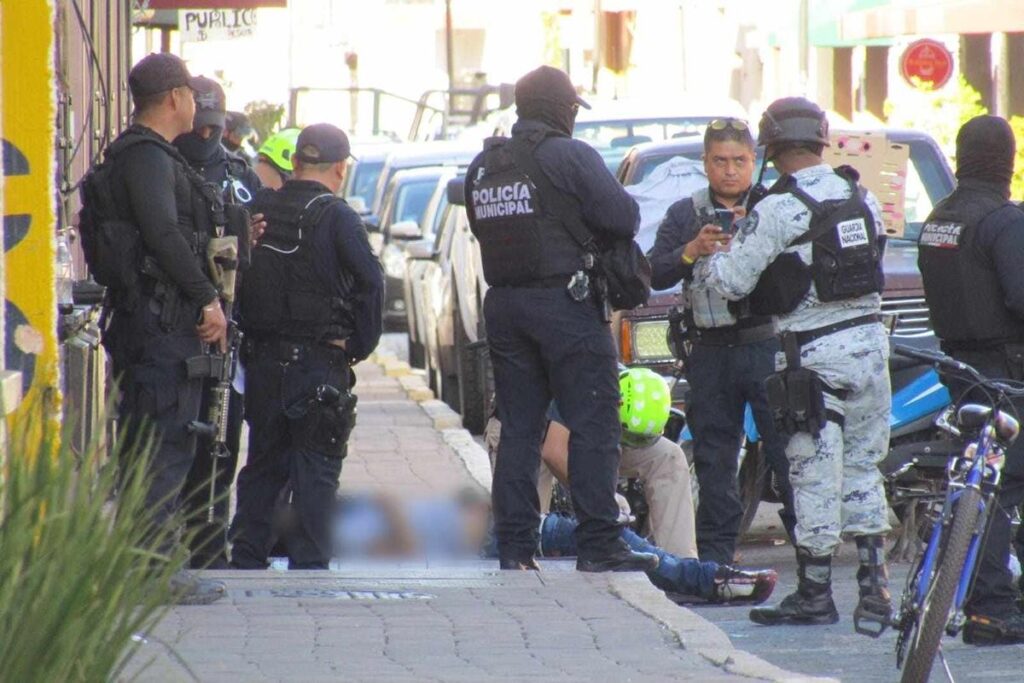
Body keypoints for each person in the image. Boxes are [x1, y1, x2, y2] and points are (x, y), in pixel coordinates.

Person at [690, 97, 892, 629]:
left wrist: (713, 255)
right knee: (864, 468)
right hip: (871, 349)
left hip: (813, 356)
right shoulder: (859, 194)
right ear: (821, 140)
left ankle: (816, 594)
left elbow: (731, 282)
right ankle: (875, 588)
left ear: (772, 148)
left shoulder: (779, 207)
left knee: (812, 473)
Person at [465, 65, 655, 573]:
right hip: (565, 306)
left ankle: (515, 548)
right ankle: (599, 544)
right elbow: (624, 218)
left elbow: (480, 229)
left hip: (504, 307)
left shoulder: (484, 167)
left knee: (520, 430)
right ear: (562, 109)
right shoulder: (570, 155)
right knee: (594, 423)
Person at [89, 53, 228, 604]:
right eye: (191, 94)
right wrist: (207, 298)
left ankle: (149, 565)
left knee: (157, 441)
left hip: (148, 322)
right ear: (174, 97)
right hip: (159, 325)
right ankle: (151, 574)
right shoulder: (146, 157)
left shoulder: (145, 155)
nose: (195, 103)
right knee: (162, 444)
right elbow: (164, 235)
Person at [230, 123, 384, 570]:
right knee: (316, 469)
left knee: (263, 463)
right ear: (341, 168)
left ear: (294, 164)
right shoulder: (337, 216)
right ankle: (309, 566)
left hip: (261, 363)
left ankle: (247, 558)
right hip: (318, 365)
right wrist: (358, 345)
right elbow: (371, 281)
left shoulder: (258, 208)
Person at [647, 118, 796, 565]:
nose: (730, 170)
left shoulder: (776, 205)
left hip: (766, 344)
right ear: (705, 163)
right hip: (710, 350)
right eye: (720, 161)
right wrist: (692, 250)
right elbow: (653, 272)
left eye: (739, 161)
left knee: (789, 453)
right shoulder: (685, 213)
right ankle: (715, 559)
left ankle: (812, 555)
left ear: (755, 161)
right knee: (714, 460)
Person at [917, 115, 1024, 645]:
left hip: (960, 370)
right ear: (1007, 160)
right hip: (1007, 373)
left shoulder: (941, 217)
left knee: (983, 481)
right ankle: (993, 606)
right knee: (1005, 485)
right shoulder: (1003, 221)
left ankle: (994, 598)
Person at [331, 489, 778, 606]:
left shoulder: (347, 515)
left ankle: (701, 574)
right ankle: (704, 578)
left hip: (497, 527)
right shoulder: (350, 536)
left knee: (607, 537)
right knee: (606, 538)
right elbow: (405, 546)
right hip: (492, 538)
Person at [173, 76, 262, 570]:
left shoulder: (239, 175)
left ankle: (208, 546)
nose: (204, 138)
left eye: (214, 128)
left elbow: (257, 253)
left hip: (231, 331)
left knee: (223, 444)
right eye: (198, 128)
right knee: (179, 443)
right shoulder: (166, 166)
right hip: (180, 328)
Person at [540, 367, 698, 559]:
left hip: (597, 435)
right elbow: (553, 452)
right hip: (540, 435)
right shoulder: (583, 380)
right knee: (534, 475)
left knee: (669, 455)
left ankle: (681, 565)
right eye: (628, 437)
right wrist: (600, 497)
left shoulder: (631, 391)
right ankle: (531, 550)